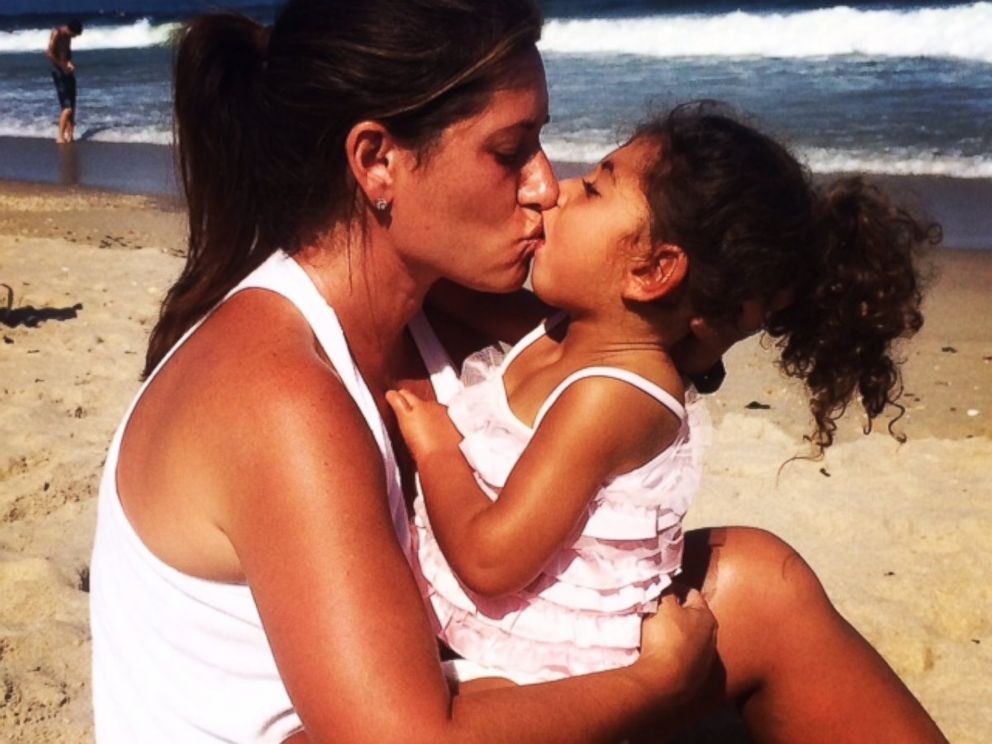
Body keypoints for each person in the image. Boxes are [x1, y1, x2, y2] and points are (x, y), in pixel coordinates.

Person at [87, 1, 947, 743]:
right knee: (751, 601)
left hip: (397, 692)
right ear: (376, 160)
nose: (547, 184)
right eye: (512, 151)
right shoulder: (280, 394)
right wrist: (652, 688)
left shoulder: (419, 307)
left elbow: (657, 339)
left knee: (761, 582)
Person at [387, 103, 940, 688]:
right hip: (479, 629)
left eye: (596, 189)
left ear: (653, 271)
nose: (559, 190)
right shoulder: (562, 331)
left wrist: (439, 450)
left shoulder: (612, 398)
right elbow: (443, 285)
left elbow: (492, 559)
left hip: (537, 670)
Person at [47, 18, 82, 144]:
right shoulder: (57, 33)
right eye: (74, 34)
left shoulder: (68, 37)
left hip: (67, 70)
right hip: (59, 71)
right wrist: (63, 67)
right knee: (67, 107)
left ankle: (70, 135)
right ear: (69, 29)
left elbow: (67, 54)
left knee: (73, 104)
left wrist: (70, 64)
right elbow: (49, 53)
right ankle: (59, 136)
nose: (74, 37)